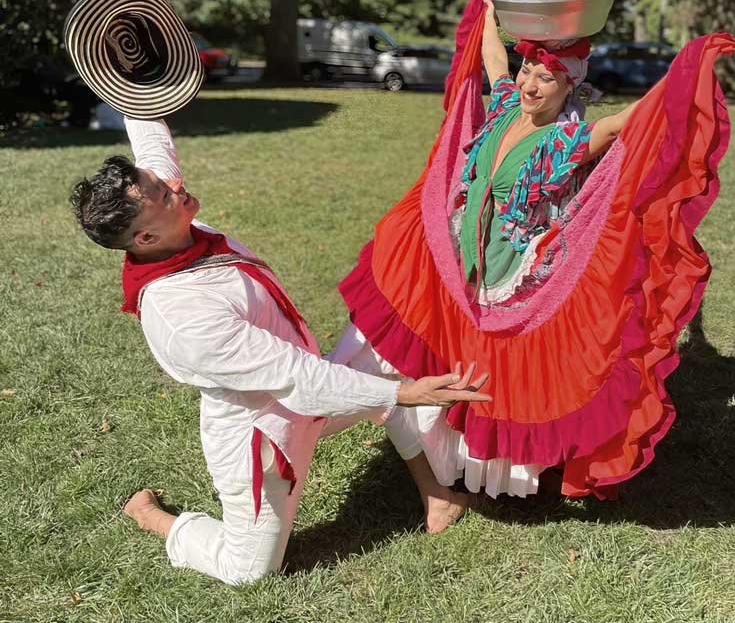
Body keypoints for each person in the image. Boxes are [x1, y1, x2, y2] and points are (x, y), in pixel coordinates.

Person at [338, 0, 735, 501]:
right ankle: (411, 429)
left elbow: (622, 124)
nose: (529, 83)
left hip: (507, 273)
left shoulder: (565, 142)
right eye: (529, 70)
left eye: (545, 77)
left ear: (570, 83)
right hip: (461, 253)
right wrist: (488, 7)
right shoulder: (505, 104)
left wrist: (684, 72)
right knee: (439, 341)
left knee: (491, 369)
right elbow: (492, 59)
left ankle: (470, 464)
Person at [70, 115, 490, 585]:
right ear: (144, 239)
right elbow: (297, 378)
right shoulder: (182, 316)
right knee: (249, 570)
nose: (174, 186)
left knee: (393, 350)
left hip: (314, 387)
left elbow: (154, 153)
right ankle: (155, 518)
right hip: (263, 434)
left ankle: (437, 494)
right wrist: (408, 393)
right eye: (165, 195)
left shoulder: (171, 226)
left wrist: (133, 88)